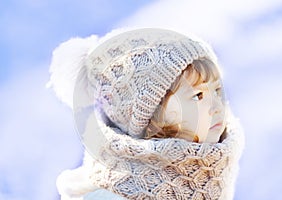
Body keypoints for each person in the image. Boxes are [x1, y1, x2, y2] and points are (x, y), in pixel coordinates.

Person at [49, 28, 244, 200]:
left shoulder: (213, 170)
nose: (218, 107)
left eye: (217, 91)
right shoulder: (114, 194)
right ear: (151, 118)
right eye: (197, 96)